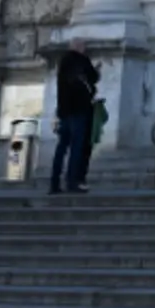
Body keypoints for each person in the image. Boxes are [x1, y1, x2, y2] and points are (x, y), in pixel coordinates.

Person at [48, 36, 99, 195]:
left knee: (62, 148)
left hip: (64, 111)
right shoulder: (80, 61)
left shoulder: (63, 63)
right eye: (83, 45)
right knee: (77, 147)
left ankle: (54, 182)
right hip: (79, 110)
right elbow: (92, 79)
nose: (85, 48)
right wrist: (95, 71)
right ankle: (72, 181)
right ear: (78, 46)